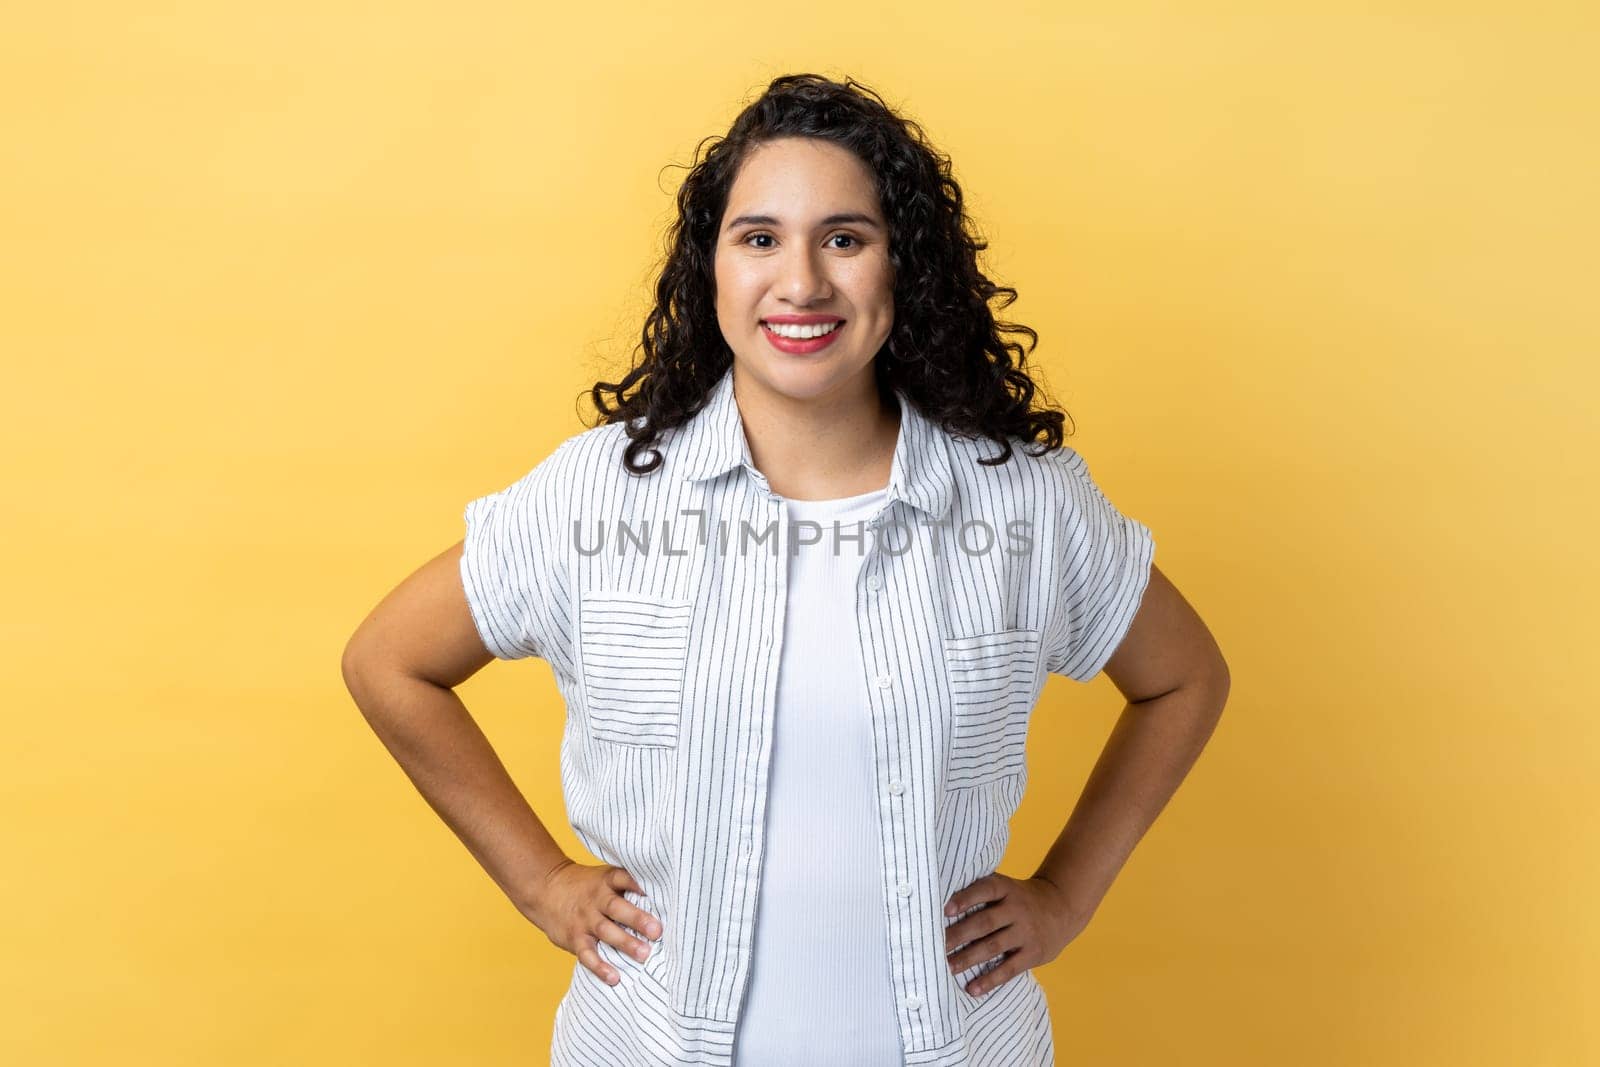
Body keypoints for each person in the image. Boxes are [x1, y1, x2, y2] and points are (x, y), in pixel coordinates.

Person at [342, 73, 1229, 1067]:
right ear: (709, 271)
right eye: (759, 238)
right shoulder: (596, 494)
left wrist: (1067, 894)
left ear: (904, 268)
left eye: (844, 238)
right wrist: (540, 881)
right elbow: (388, 659)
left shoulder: (1021, 501)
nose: (801, 281)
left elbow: (1184, 676)